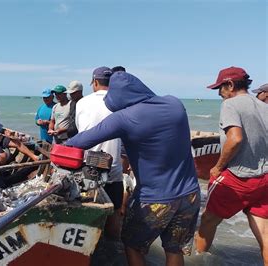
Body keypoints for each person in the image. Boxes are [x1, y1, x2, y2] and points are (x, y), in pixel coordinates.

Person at [66, 71, 200, 266]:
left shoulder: (124, 118)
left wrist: (60, 149)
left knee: (132, 245)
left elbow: (81, 141)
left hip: (154, 199)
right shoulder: (175, 104)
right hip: (190, 195)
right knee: (174, 249)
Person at [195, 67, 268, 264]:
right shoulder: (264, 106)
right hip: (264, 179)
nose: (219, 94)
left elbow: (234, 139)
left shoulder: (231, 104)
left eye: (220, 88)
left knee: (208, 220)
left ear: (230, 85)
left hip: (238, 177)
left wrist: (218, 166)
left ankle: (198, 260)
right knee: (264, 232)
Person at [75, 66, 124, 239]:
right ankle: (112, 248)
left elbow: (81, 132)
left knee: (87, 211)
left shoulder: (82, 103)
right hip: (114, 168)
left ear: (95, 82)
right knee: (115, 211)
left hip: (89, 167)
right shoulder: (121, 103)